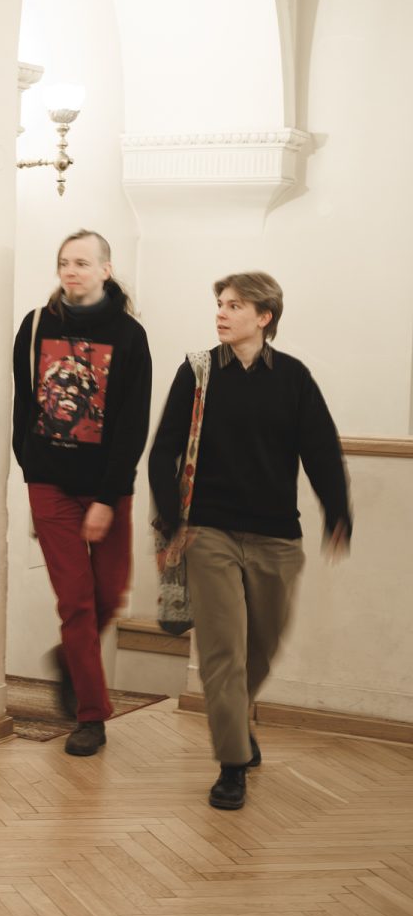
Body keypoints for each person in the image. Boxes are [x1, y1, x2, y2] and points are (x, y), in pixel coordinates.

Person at [149, 271, 351, 810]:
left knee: (263, 645)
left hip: (276, 536)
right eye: (220, 303)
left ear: (265, 317)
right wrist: (171, 519)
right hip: (208, 531)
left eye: (235, 305)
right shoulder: (197, 372)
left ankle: (235, 721)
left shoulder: (293, 377)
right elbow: (164, 448)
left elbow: (321, 448)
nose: (222, 312)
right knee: (222, 652)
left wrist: (338, 510)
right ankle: (232, 763)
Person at [11, 230, 152, 756]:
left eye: (82, 263)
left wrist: (107, 499)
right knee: (75, 601)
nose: (71, 271)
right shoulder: (36, 326)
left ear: (105, 270)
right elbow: (23, 402)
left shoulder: (129, 336)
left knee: (109, 595)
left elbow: (132, 425)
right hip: (49, 486)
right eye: (64, 262)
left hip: (107, 488)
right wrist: (30, 465)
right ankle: (91, 716)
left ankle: (70, 660)